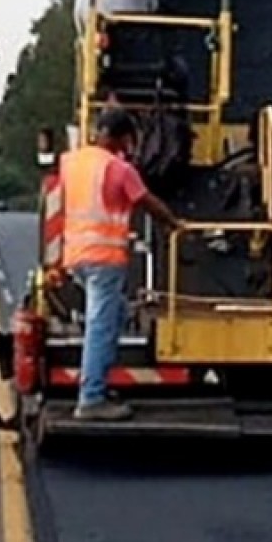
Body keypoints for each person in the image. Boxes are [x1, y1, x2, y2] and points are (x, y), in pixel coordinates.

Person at [57, 106, 183, 421]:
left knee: (111, 317)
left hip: (76, 255)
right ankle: (91, 398)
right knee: (101, 326)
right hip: (103, 258)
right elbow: (147, 202)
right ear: (122, 137)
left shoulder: (72, 162)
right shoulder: (118, 169)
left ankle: (98, 383)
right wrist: (175, 224)